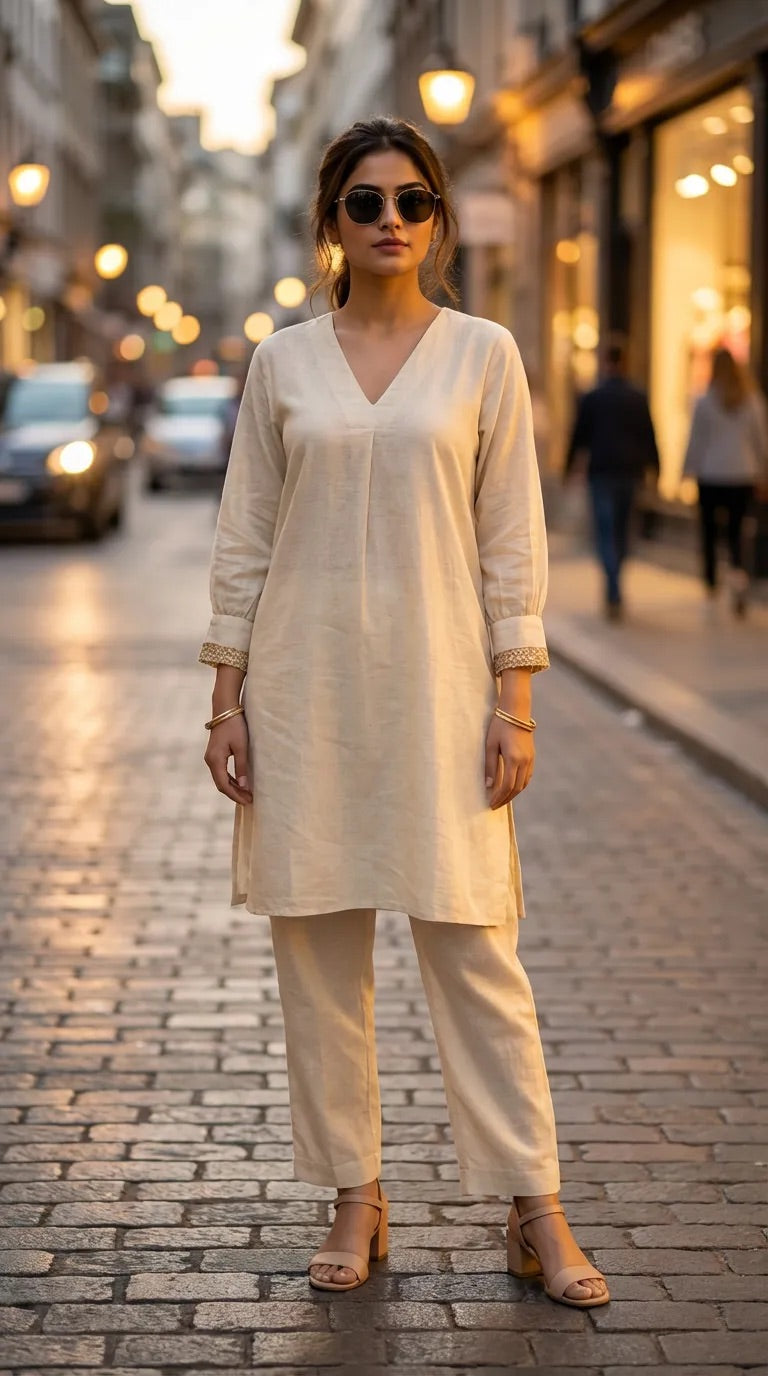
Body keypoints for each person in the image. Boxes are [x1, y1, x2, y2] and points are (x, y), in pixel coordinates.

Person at [199, 117, 608, 1309]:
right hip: (304, 687)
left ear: (438, 221)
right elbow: (246, 534)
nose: (392, 222)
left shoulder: (484, 353)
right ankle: (354, 1194)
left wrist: (514, 700)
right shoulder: (282, 363)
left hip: (442, 692)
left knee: (480, 952)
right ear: (330, 220)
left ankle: (537, 1204)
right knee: (319, 957)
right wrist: (225, 696)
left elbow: (509, 536)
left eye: (414, 203)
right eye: (367, 202)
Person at [564, 339, 659, 618]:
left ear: (606, 362)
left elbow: (578, 436)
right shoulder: (637, 397)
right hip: (630, 472)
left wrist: (569, 469)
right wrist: (656, 469)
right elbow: (649, 435)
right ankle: (616, 583)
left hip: (602, 472)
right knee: (622, 531)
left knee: (606, 532)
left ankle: (613, 587)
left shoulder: (593, 397)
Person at [683, 346, 768, 617]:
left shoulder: (705, 401)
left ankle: (711, 586)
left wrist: (687, 470)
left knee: (709, 533)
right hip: (743, 474)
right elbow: (761, 441)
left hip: (711, 475)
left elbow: (696, 440)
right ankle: (739, 577)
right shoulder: (752, 400)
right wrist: (763, 472)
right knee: (737, 532)